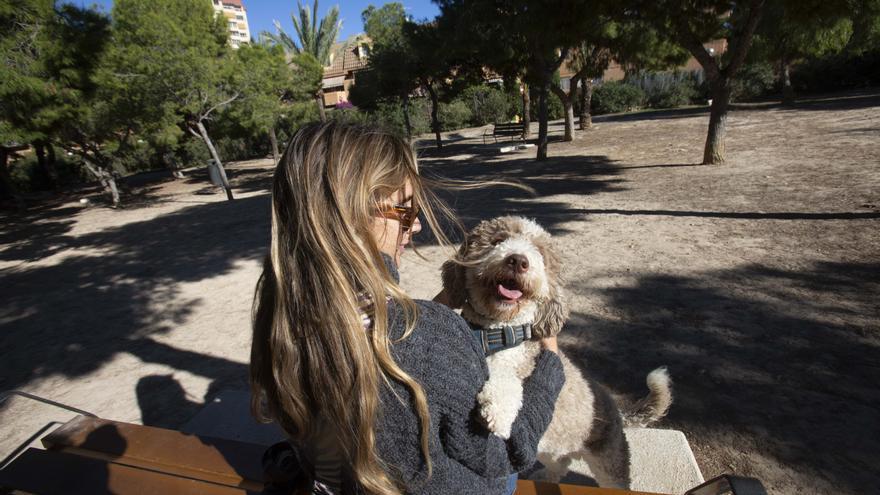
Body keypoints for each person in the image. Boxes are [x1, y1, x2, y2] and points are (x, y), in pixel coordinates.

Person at [250, 121, 565, 495]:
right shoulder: (432, 338)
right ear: (356, 213)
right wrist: (550, 359)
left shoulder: (283, 317)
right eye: (406, 210)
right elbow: (509, 453)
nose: (414, 227)